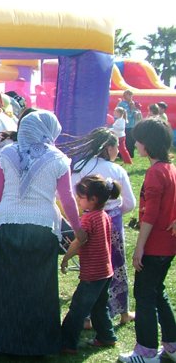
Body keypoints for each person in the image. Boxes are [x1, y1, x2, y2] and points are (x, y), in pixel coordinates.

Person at [0, 110, 86, 356]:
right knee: (40, 288)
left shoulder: (7, 153)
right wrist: (77, 229)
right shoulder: (58, 159)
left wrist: (4, 212)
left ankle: (1, 341)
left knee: (5, 285)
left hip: (7, 224)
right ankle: (38, 344)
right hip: (42, 226)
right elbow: (67, 198)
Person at [61, 127, 136, 325]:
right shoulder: (116, 170)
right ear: (109, 147)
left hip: (87, 221)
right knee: (116, 265)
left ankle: (87, 316)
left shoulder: (80, 168)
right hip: (113, 222)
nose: (118, 151)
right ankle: (122, 312)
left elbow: (69, 196)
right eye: (116, 147)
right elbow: (130, 203)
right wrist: (114, 213)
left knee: (91, 267)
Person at [119, 118, 176, 363]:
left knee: (144, 295)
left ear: (148, 144)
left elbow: (150, 214)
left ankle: (146, 351)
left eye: (138, 140)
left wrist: (139, 247)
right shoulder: (170, 168)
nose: (136, 144)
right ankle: (172, 345)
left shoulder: (155, 172)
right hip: (168, 246)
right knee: (157, 291)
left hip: (155, 245)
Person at [60, 175, 119, 354]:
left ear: (93, 199)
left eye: (81, 197)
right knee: (99, 307)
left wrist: (66, 258)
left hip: (92, 274)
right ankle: (107, 336)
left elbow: (79, 241)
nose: (78, 200)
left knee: (77, 309)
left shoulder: (87, 219)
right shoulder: (104, 216)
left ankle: (66, 343)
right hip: (105, 271)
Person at [117, 89, 141, 157]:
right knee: (125, 140)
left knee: (131, 140)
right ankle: (122, 154)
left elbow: (135, 113)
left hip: (132, 125)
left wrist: (135, 110)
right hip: (125, 125)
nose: (131, 97)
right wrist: (131, 108)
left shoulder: (132, 103)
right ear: (125, 96)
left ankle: (130, 154)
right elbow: (126, 114)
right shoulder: (122, 104)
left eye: (131, 95)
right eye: (129, 95)